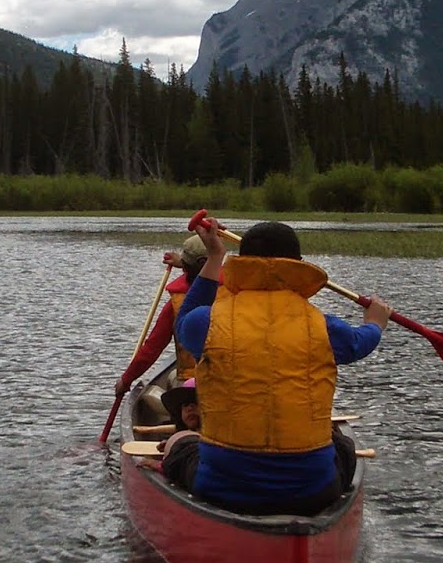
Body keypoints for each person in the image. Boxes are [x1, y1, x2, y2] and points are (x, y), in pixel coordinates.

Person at [160, 218, 389, 516]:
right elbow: (361, 342)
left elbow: (185, 319)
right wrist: (376, 322)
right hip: (314, 490)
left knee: (179, 441)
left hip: (222, 487)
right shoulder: (323, 326)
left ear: (241, 263)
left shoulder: (206, 322)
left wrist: (216, 255)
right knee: (341, 443)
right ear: (299, 265)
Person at [113, 234, 209, 403]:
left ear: (187, 266)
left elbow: (152, 349)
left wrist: (126, 379)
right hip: (228, 377)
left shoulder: (177, 304)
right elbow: (210, 272)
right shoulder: (233, 289)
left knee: (169, 383)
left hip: (191, 381)